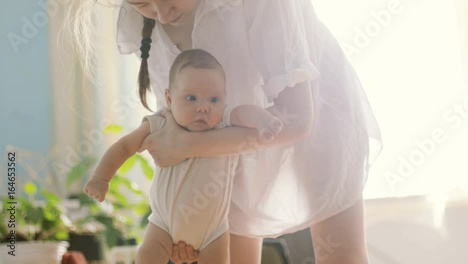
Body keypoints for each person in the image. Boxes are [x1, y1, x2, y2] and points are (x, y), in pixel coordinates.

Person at [70, 0, 382, 263]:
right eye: (141, 3)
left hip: (313, 116)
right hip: (223, 144)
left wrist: (189, 145)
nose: (163, 14)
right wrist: (188, 230)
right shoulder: (142, 19)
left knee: (341, 256)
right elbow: (181, 129)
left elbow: (298, 119)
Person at [83, 49, 283, 264]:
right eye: (191, 98)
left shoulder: (224, 120)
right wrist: (101, 178)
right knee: (146, 255)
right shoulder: (161, 122)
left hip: (213, 233)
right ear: (169, 99)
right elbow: (124, 146)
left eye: (214, 99)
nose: (203, 107)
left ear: (224, 100)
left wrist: (264, 121)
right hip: (164, 226)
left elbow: (245, 112)